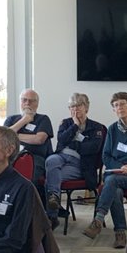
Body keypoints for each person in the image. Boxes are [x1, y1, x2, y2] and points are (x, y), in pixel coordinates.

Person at [83, 92, 127, 249]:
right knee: (114, 188)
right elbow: (106, 156)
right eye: (116, 105)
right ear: (113, 110)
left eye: (122, 104)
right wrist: (120, 167)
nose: (119, 108)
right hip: (116, 173)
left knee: (111, 181)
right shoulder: (112, 129)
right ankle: (120, 233)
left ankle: (98, 219)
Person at [43, 92, 106, 226]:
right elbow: (62, 140)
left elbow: (93, 148)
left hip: (80, 165)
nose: (75, 109)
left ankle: (52, 217)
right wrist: (75, 126)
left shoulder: (96, 127)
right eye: (72, 106)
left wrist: (74, 144)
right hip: (60, 157)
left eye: (79, 105)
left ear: (86, 108)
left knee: (51, 178)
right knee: (50, 161)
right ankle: (54, 199)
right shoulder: (65, 123)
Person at [4, 89, 54, 180]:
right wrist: (24, 120)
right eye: (24, 100)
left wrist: (15, 136)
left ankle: (29, 194)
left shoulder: (43, 119)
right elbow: (4, 137)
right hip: (12, 156)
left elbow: (39, 139)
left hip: (35, 157)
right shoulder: (11, 119)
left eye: (31, 101)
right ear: (20, 102)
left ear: (37, 104)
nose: (27, 103)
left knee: (27, 170)